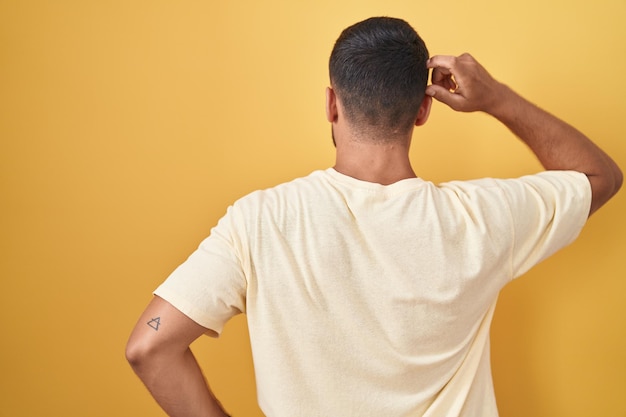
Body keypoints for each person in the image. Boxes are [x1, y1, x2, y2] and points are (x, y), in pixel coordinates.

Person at [125, 17, 622, 417]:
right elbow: (599, 175)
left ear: (331, 104)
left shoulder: (259, 220)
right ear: (424, 112)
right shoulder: (484, 219)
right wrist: (497, 99)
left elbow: (149, 348)